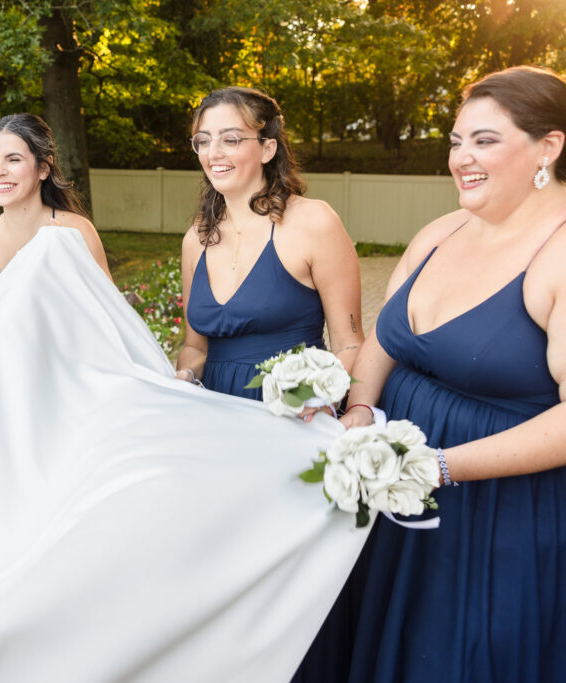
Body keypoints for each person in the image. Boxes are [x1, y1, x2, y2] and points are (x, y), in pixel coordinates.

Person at [336, 66, 566, 682]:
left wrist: (436, 467)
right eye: (456, 141)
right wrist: (358, 410)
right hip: (396, 504)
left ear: (549, 146)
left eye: (485, 140)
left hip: (496, 515)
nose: (462, 157)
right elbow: (386, 337)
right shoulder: (443, 230)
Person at [175, 87, 363, 401]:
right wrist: (186, 375)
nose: (213, 153)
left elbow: (350, 344)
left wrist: (312, 399)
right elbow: (196, 347)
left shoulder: (314, 222)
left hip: (292, 413)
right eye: (204, 140)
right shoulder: (197, 238)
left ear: (267, 149)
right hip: (215, 412)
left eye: (230, 139)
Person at [0, 113, 112, 290]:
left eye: (14, 159)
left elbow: (108, 312)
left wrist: (70, 265)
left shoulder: (77, 231)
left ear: (43, 169)